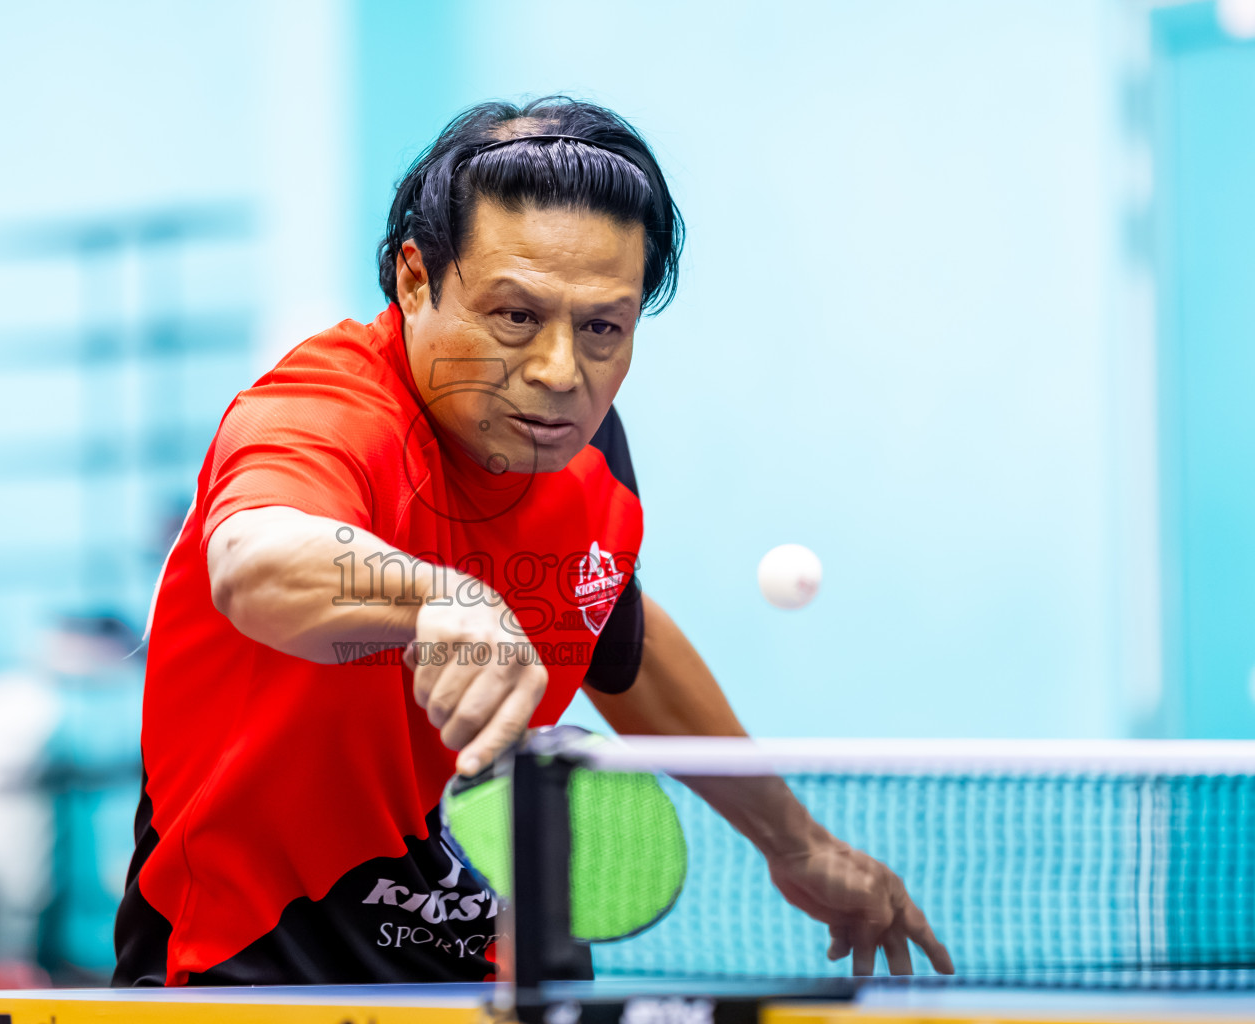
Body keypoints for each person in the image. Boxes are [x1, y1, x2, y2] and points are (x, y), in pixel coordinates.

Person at [113, 97, 954, 987]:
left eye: (602, 328)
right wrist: (439, 599)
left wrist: (797, 843)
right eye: (515, 316)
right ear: (414, 279)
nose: (559, 373)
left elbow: (617, 633)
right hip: (252, 986)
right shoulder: (323, 411)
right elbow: (255, 560)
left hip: (487, 983)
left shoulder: (586, 457)